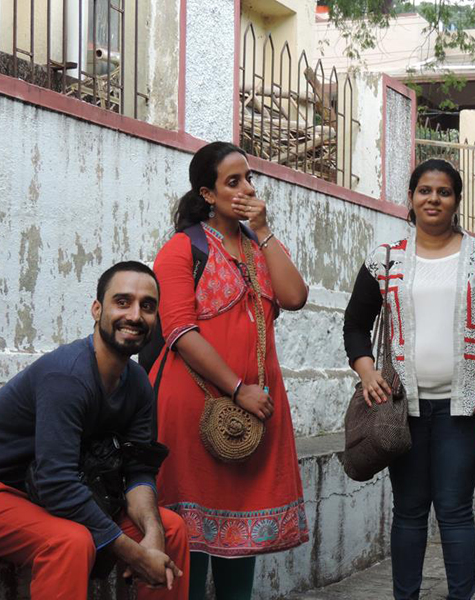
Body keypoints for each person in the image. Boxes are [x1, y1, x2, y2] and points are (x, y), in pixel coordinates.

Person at [0, 262, 188, 600]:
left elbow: (139, 471)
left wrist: (152, 534)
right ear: (97, 309)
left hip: (50, 499)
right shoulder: (67, 376)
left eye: (147, 306)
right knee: (70, 541)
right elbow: (56, 482)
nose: (135, 315)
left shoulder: (138, 385)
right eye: (123, 302)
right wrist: (134, 553)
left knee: (171, 528)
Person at [343, 159, 475, 600]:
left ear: (456, 201)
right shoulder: (385, 259)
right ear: (411, 198)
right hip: (403, 410)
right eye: (424, 190)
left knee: (456, 511)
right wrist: (366, 371)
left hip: (465, 407)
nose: (433, 199)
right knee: (409, 510)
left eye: (443, 191)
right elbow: (354, 325)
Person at [151, 141, 309, 600]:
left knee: (243, 537)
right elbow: (179, 331)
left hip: (256, 411)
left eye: (249, 178)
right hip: (195, 407)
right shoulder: (182, 249)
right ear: (207, 193)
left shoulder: (258, 247)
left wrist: (263, 230)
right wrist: (238, 388)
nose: (246, 188)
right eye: (233, 181)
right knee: (190, 533)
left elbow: (295, 297)